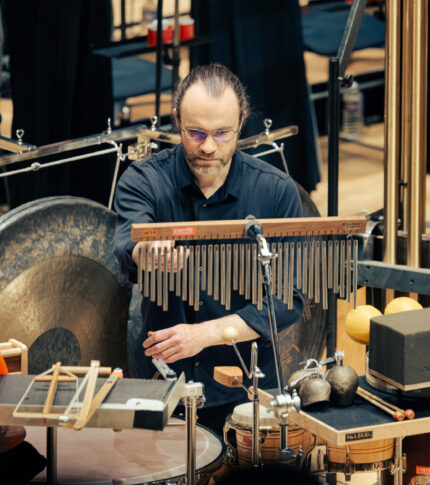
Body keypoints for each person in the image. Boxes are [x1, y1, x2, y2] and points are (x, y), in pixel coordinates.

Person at [113, 64, 305, 434]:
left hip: (250, 387)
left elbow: (288, 298)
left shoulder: (276, 191)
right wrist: (146, 253)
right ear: (176, 120)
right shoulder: (144, 181)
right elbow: (128, 244)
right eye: (196, 132)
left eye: (222, 133)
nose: (208, 147)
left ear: (242, 121)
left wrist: (204, 334)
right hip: (164, 383)